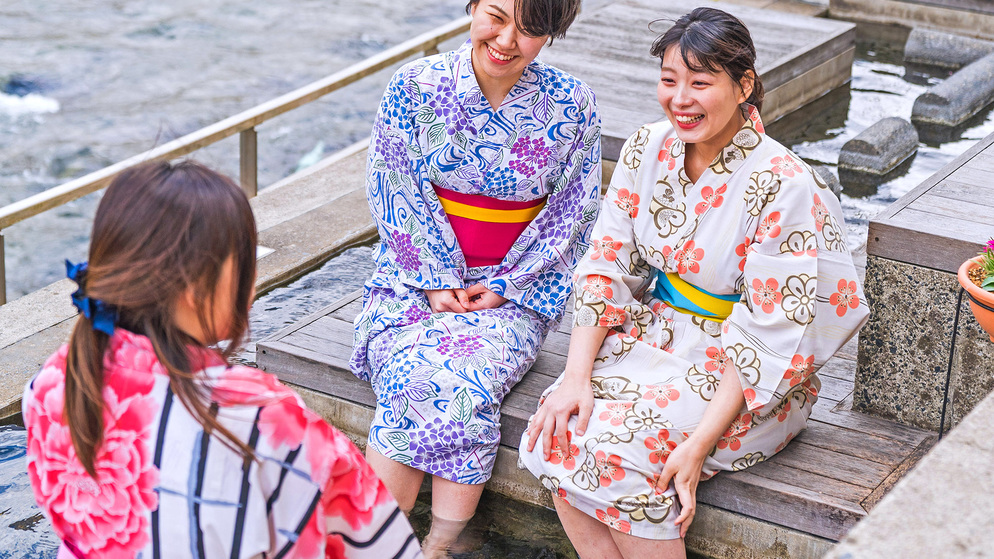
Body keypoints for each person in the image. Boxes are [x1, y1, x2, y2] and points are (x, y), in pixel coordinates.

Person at [518, 7, 870, 558]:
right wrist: (575, 377)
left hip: (747, 373)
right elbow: (605, 262)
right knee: (554, 434)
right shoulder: (645, 147)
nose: (680, 98)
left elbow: (769, 332)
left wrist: (701, 441)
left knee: (626, 460)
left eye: (701, 83)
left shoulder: (784, 183)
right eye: (669, 80)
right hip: (655, 336)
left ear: (743, 85)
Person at [22, 161, 422, 559]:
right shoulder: (261, 419)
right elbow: (376, 543)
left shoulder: (54, 383)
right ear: (198, 291)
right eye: (247, 262)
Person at [350, 0, 600, 553]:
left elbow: (573, 212)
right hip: (412, 277)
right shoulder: (415, 86)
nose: (507, 39)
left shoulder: (571, 104)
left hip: (511, 291)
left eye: (532, 28)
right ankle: (395, 542)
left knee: (469, 377)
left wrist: (509, 286)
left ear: (553, 34)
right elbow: (392, 185)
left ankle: (437, 541)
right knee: (412, 373)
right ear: (471, 6)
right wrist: (434, 277)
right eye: (496, 15)